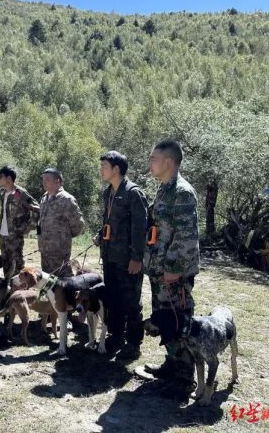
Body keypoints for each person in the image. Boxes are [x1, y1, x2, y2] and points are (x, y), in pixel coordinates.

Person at [135, 140, 200, 401]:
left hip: (173, 272)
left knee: (179, 320)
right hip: (159, 268)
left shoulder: (182, 192)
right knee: (165, 319)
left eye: (154, 158)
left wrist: (174, 269)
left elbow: (186, 236)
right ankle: (171, 365)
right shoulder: (164, 190)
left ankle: (184, 379)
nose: (150, 162)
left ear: (169, 162)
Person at [93, 151, 148, 359]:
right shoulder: (108, 193)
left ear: (116, 169)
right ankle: (116, 336)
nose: (101, 170)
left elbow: (140, 228)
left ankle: (133, 343)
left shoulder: (133, 193)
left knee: (131, 301)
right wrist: (100, 235)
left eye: (104, 166)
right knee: (113, 298)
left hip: (127, 259)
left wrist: (136, 257)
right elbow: (109, 222)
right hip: (110, 256)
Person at [37, 168, 85, 277]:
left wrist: (63, 236)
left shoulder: (66, 199)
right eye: (43, 179)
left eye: (47, 179)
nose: (44, 182)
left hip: (59, 252)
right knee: (47, 282)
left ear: (57, 181)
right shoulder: (44, 198)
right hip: (44, 250)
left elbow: (79, 225)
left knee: (61, 283)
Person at [0, 166, 40, 284]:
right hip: (3, 235)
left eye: (0, 176)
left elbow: (37, 209)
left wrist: (27, 228)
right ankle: (8, 291)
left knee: (17, 264)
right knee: (5, 263)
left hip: (15, 236)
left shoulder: (20, 193)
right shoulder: (2, 192)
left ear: (9, 178)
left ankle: (20, 291)